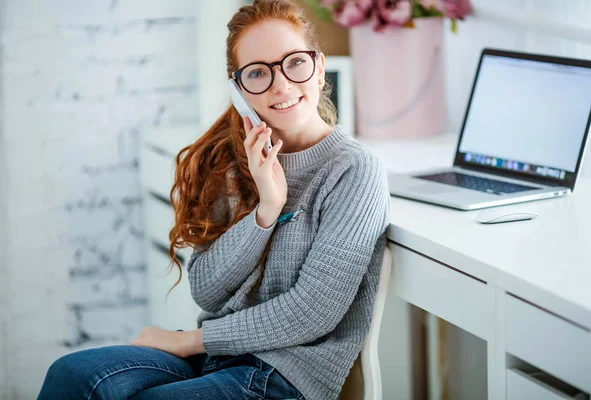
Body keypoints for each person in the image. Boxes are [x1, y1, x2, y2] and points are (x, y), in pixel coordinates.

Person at [37, 0, 389, 399]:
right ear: (239, 89)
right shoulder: (233, 161)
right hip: (217, 358)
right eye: (258, 72)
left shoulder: (354, 169)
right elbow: (206, 289)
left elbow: (311, 313)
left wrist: (192, 340)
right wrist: (266, 212)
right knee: (72, 374)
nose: (281, 84)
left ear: (319, 66)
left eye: (294, 62)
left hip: (285, 374)